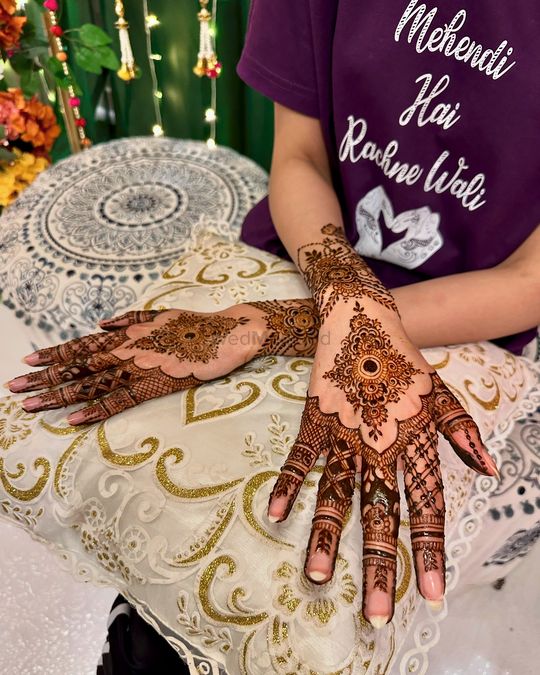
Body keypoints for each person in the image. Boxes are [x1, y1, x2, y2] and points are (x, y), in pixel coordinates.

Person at [6, 0, 540, 668]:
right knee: (165, 508)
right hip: (300, 258)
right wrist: (339, 295)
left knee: (306, 599)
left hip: (465, 323)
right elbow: (299, 159)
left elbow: (528, 280)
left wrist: (270, 326)